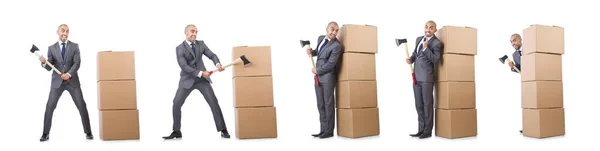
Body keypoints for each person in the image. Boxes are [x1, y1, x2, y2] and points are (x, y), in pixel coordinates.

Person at [162, 24, 230, 139]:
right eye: (192, 31)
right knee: (176, 103)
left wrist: (217, 64)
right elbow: (184, 66)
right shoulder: (180, 48)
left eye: (196, 32)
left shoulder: (201, 44)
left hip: (202, 80)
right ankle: (177, 131)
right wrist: (200, 73)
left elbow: (212, 55)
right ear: (186, 33)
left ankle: (223, 129)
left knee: (213, 102)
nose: (194, 34)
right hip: (187, 79)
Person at [38, 24, 93, 141]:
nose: (65, 33)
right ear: (57, 32)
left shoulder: (75, 46)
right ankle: (45, 134)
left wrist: (68, 74)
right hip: (57, 82)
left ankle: (88, 132)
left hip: (72, 81)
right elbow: (49, 67)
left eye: (67, 31)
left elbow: (77, 63)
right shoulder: (51, 48)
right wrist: (44, 62)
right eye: (63, 31)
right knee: (50, 106)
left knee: (82, 106)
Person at [405, 20, 444, 139]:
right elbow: (415, 54)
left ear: (435, 30)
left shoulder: (437, 43)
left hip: (427, 78)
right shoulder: (418, 39)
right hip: (416, 77)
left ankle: (427, 131)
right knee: (419, 105)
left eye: (431, 28)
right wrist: (411, 59)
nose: (428, 29)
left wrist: (427, 49)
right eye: (426, 27)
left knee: (427, 104)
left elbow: (436, 59)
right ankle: (420, 130)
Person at [305, 21, 343, 139]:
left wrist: (318, 70)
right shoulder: (321, 38)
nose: (334, 32)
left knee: (328, 103)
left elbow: (331, 64)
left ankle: (329, 131)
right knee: (320, 104)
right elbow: (320, 52)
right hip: (318, 77)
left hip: (328, 77)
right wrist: (312, 52)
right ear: (326, 29)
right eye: (332, 29)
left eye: (336, 30)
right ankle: (322, 129)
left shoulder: (337, 46)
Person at [508, 33, 523, 134]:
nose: (512, 43)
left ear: (520, 39)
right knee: (527, 104)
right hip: (527, 81)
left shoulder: (530, 49)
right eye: (511, 42)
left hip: (539, 77)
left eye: (514, 40)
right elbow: (520, 69)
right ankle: (530, 125)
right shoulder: (514, 55)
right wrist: (512, 67)